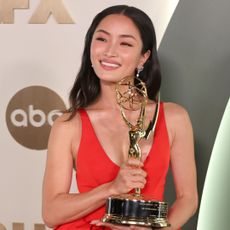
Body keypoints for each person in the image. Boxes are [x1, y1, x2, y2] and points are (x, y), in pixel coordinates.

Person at [42, 5, 198, 230]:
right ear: (90, 47)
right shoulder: (69, 124)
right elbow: (51, 213)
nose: (109, 51)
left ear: (143, 57)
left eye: (125, 43)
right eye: (102, 39)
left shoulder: (174, 118)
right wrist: (112, 188)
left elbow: (188, 199)